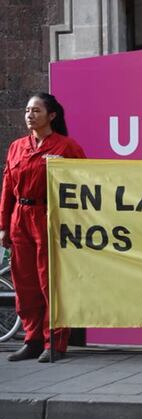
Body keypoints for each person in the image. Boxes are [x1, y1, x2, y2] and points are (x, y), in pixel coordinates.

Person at [0, 93, 85, 362]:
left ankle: (55, 342)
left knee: (51, 282)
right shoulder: (16, 147)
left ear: (52, 116)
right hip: (20, 218)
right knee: (25, 284)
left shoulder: (66, 147)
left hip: (50, 216)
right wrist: (3, 225)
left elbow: (85, 185)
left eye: (36, 110)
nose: (29, 115)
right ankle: (32, 339)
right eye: (27, 110)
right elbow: (7, 189)